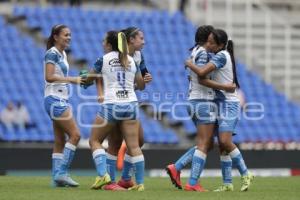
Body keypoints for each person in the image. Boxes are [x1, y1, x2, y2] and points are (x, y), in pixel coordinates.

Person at [165, 25, 236, 192]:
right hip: (203, 101)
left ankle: (177, 167)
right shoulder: (203, 53)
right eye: (211, 38)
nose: (213, 41)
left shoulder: (195, 51)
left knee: (208, 143)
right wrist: (225, 87)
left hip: (194, 100)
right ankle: (192, 182)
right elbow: (202, 77)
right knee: (204, 143)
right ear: (207, 39)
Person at [185, 28, 254, 192]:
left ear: (221, 45)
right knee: (221, 146)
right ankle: (227, 183)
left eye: (211, 42)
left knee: (224, 141)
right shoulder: (217, 55)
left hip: (229, 104)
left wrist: (189, 64)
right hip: (219, 103)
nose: (208, 44)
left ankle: (245, 173)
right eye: (207, 41)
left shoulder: (222, 56)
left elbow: (201, 73)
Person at [86, 31, 146, 191]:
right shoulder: (131, 60)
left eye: (104, 41)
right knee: (134, 146)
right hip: (131, 104)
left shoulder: (103, 59)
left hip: (112, 105)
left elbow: (89, 79)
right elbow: (141, 85)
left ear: (109, 44)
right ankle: (140, 183)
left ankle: (103, 175)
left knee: (94, 141)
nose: (102, 43)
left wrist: (82, 78)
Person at [44, 24, 84, 187]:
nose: (69, 37)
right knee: (75, 135)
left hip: (59, 98)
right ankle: (62, 172)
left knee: (60, 140)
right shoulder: (52, 53)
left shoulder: (63, 53)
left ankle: (56, 178)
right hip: (55, 99)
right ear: (56, 36)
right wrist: (72, 80)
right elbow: (49, 77)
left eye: (70, 35)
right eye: (66, 35)